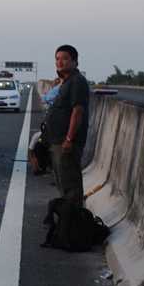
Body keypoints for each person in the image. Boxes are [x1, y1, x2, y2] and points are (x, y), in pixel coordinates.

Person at [45, 45, 89, 207]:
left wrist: (69, 138)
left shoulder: (77, 81)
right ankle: (68, 220)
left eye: (64, 58)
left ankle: (73, 222)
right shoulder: (67, 82)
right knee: (62, 181)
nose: (60, 62)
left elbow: (78, 111)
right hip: (58, 139)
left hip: (67, 141)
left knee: (70, 184)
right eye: (57, 58)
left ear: (75, 61)